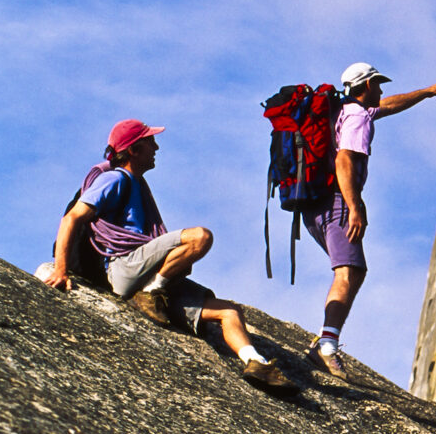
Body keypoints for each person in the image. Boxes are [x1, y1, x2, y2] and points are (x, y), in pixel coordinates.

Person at [45, 118, 298, 394]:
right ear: (133, 150)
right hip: (125, 268)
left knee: (230, 311)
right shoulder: (114, 179)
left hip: (144, 271)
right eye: (149, 142)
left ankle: (256, 363)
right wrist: (61, 269)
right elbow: (72, 219)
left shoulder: (138, 185)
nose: (156, 147)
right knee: (200, 237)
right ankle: (153, 292)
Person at [302, 62, 436, 378]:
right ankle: (326, 345)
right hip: (336, 202)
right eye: (377, 84)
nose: (382, 89)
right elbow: (344, 159)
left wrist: (427, 92)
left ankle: (327, 340)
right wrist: (354, 205)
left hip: (314, 206)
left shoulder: (345, 110)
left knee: (353, 271)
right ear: (366, 85)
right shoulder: (358, 119)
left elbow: (387, 104)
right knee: (349, 271)